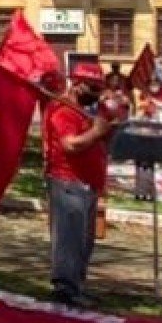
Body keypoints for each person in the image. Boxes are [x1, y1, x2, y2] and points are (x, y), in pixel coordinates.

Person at [42, 71, 115, 306]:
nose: (96, 95)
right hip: (68, 182)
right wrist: (96, 132)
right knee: (69, 236)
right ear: (78, 86)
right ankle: (65, 287)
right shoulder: (63, 111)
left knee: (84, 239)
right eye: (93, 89)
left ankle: (77, 284)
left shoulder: (85, 111)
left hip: (88, 182)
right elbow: (70, 145)